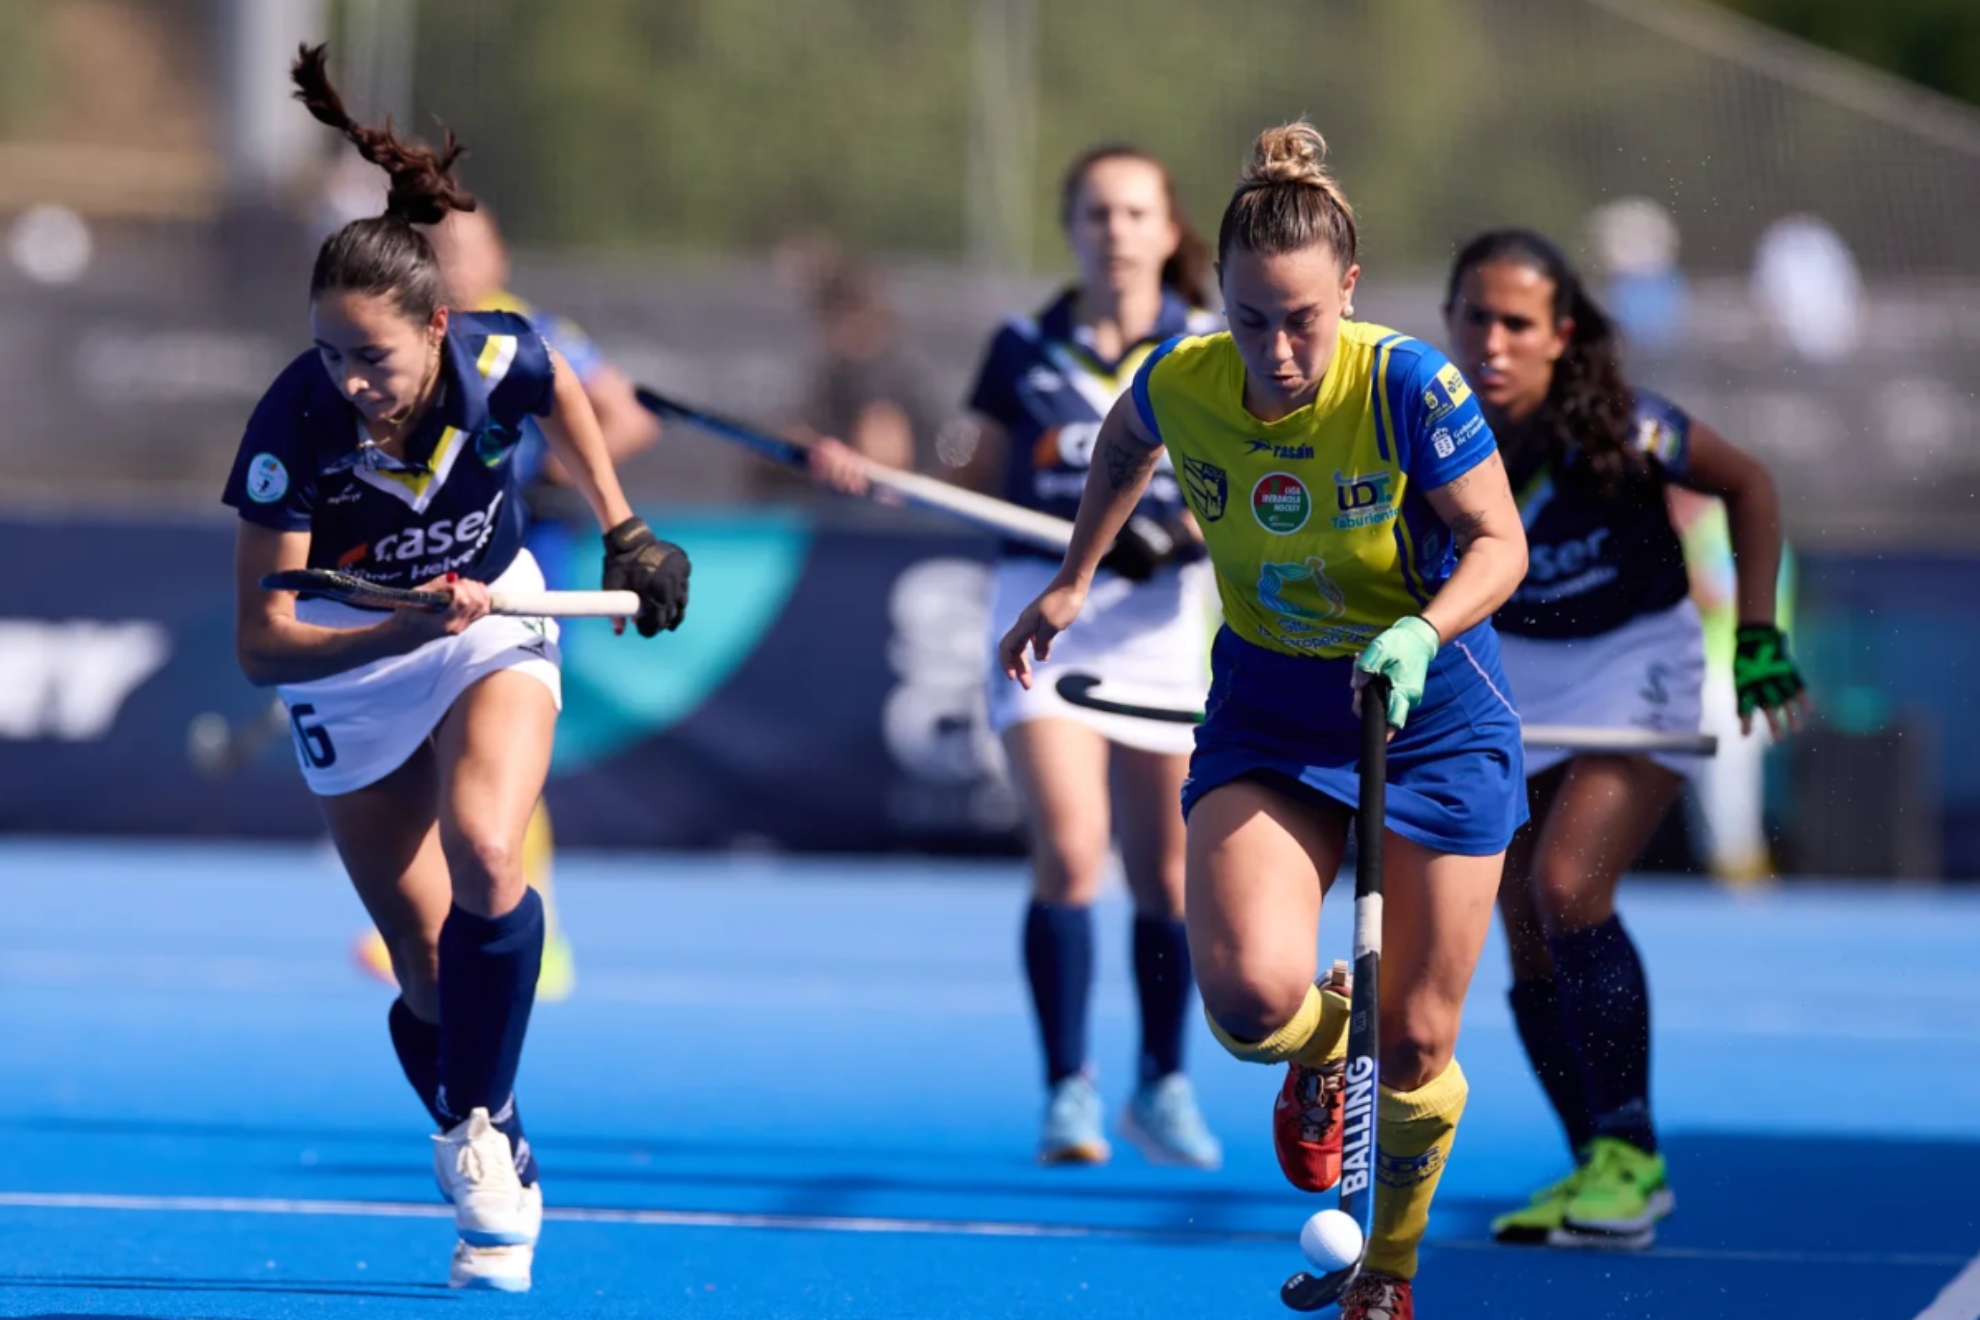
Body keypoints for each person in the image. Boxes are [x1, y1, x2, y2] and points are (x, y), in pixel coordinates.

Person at [1000, 123, 1531, 1320]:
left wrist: (1425, 630)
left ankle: (1385, 1273)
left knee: (1421, 1043)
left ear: (1347, 288)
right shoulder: (1184, 379)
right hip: (1275, 711)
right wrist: (1077, 577)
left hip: (1434, 714)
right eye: (1251, 320)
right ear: (1220, 299)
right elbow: (1126, 443)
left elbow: (1503, 542)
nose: (1279, 351)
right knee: (1244, 1002)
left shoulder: (1405, 385)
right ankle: (1316, 1041)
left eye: (1303, 319)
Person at [224, 46, 688, 1292]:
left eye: (372, 357)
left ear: (439, 327)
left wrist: (625, 527)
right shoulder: (294, 428)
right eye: (329, 354)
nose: (351, 382)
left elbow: (571, 399)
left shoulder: (497, 358)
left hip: (491, 617)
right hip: (353, 661)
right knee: (427, 968)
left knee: (490, 847)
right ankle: (492, 1121)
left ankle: (471, 1133)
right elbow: (262, 642)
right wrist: (395, 631)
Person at [814, 146, 1225, 1169]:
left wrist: (1179, 537)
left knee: (1165, 876)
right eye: (1096, 211)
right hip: (1042, 615)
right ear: (1072, 225)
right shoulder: (1019, 348)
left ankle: (1162, 1084)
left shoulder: (1212, 347)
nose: (1115, 230)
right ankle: (1068, 1089)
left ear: (1168, 230)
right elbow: (972, 473)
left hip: (1163, 628)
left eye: (1135, 212)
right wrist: (883, 472)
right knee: (1073, 849)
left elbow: (1255, 485)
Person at [1441, 229, 1808, 1250]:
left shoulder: (1629, 429)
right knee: (1519, 928)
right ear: (1449, 321)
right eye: (1475, 316)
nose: (1493, 341)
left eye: (1518, 323)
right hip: (1507, 669)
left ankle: (1634, 1158)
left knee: (1568, 887)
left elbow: (1753, 486)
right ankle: (1598, 1165)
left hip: (1635, 660)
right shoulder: (1425, 427)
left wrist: (1761, 640)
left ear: (1562, 335)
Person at [348, 205, 664, 1001]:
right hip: (433, 564)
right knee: (436, 745)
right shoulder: (409, 337)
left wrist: (549, 469)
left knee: (498, 754)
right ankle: (447, 916)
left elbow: (625, 417)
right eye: (440, 249)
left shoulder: (530, 332)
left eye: (468, 246)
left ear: (501, 252)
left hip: (525, 556)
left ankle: (536, 926)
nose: (453, 260)